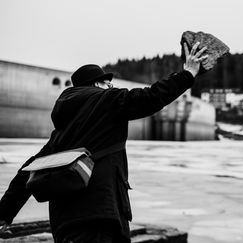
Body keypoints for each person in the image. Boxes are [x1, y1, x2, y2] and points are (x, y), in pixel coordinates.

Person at [0, 42, 208, 242]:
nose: (111, 86)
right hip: (99, 218)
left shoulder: (62, 132)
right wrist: (188, 73)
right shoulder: (107, 100)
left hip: (64, 222)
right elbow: (151, 97)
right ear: (98, 84)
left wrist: (5, 213)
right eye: (107, 83)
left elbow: (28, 171)